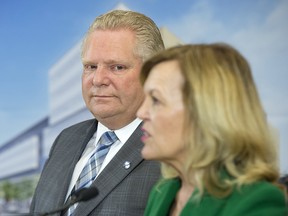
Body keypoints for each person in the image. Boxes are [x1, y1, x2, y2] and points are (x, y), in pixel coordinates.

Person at [30, 10, 164, 215]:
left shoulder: (170, 152)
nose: (98, 79)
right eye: (91, 66)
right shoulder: (66, 139)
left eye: (117, 67)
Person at [137, 43, 288, 216]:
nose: (140, 113)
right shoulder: (162, 192)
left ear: (205, 112)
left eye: (155, 100)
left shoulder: (257, 202)